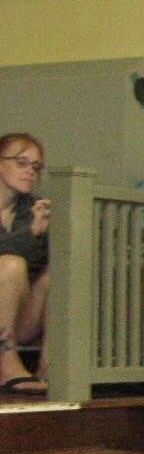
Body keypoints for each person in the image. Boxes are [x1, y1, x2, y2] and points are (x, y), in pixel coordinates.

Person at [0, 132, 50, 397]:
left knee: (56, 276)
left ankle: (50, 368)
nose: (31, 171)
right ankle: (5, 365)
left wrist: (42, 235)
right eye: (22, 162)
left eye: (36, 166)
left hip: (18, 320)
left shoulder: (33, 208)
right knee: (10, 266)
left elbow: (41, 262)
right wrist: (30, 235)